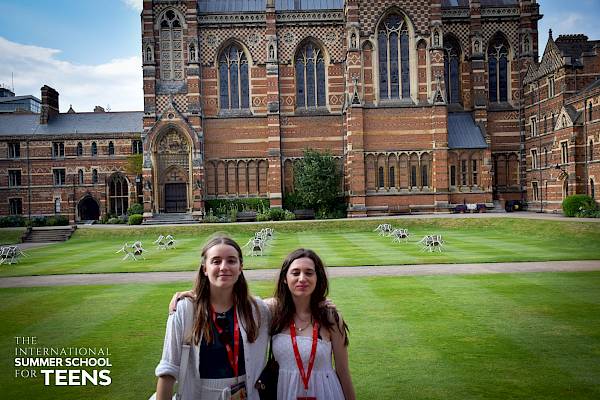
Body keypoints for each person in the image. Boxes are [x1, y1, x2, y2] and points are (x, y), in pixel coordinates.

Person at [155, 235, 270, 400]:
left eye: (231, 261)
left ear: (240, 267)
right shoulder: (185, 309)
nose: (224, 267)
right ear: (205, 269)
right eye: (216, 261)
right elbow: (168, 370)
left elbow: (291, 303)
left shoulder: (258, 309)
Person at [270, 248, 356, 400]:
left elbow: (343, 371)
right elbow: (246, 305)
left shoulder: (331, 318)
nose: (302, 278)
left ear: (318, 278)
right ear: (285, 278)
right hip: (285, 392)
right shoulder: (273, 313)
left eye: (309, 273)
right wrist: (277, 302)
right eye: (295, 273)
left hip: (325, 393)